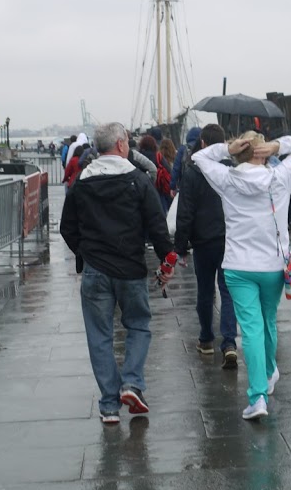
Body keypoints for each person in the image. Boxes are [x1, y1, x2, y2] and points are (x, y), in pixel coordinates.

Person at [60, 122, 177, 424]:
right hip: (130, 268)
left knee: (99, 336)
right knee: (138, 325)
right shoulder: (138, 180)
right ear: (122, 145)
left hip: (96, 269)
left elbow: (66, 227)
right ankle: (132, 383)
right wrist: (167, 259)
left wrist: (83, 254)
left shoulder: (82, 182)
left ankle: (109, 404)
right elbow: (157, 224)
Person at [193, 131, 291, 420]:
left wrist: (225, 148)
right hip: (273, 265)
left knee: (251, 328)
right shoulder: (280, 178)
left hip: (238, 266)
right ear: (262, 152)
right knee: (268, 320)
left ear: (239, 152)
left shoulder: (226, 179)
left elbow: (198, 157)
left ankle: (258, 396)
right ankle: (269, 373)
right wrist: (279, 146)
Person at [173, 124, 238, 368]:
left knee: (205, 291)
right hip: (229, 238)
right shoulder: (231, 169)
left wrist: (180, 247)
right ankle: (230, 342)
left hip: (203, 240)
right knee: (228, 290)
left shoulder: (192, 172)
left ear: (202, 144)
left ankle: (206, 339)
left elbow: (185, 212)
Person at [171, 127, 202, 193]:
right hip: (201, 186)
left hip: (184, 186)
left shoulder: (182, 149)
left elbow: (176, 168)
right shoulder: (203, 148)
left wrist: (172, 186)